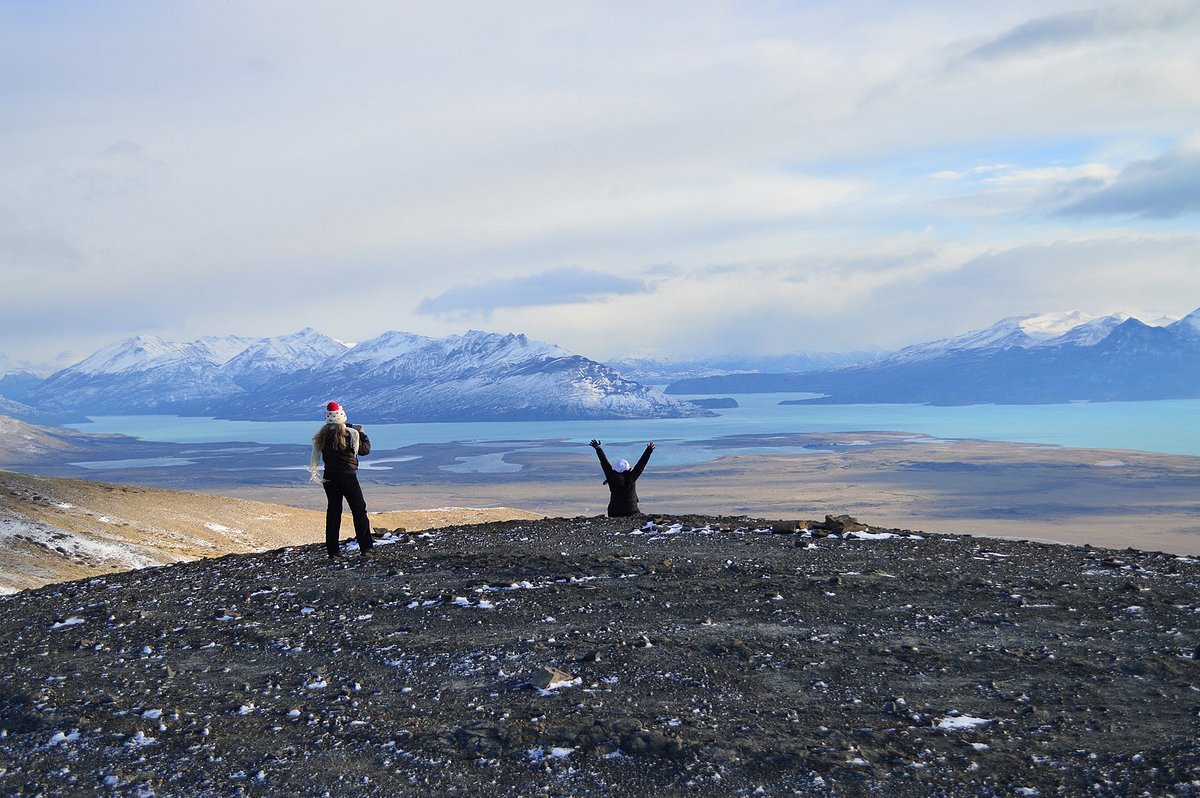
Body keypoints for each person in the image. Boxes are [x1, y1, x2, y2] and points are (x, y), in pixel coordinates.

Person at [309, 401, 373, 558]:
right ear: (342, 417)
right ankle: (366, 548)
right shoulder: (351, 434)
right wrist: (362, 433)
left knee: (334, 512)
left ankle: (333, 551)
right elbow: (364, 450)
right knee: (359, 511)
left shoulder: (322, 436)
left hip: (329, 477)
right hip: (348, 477)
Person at [590, 438, 655, 517]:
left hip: (614, 512)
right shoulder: (632, 476)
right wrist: (649, 450)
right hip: (631, 510)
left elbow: (604, 461)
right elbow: (641, 464)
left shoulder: (611, 475)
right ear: (628, 468)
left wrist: (597, 448)